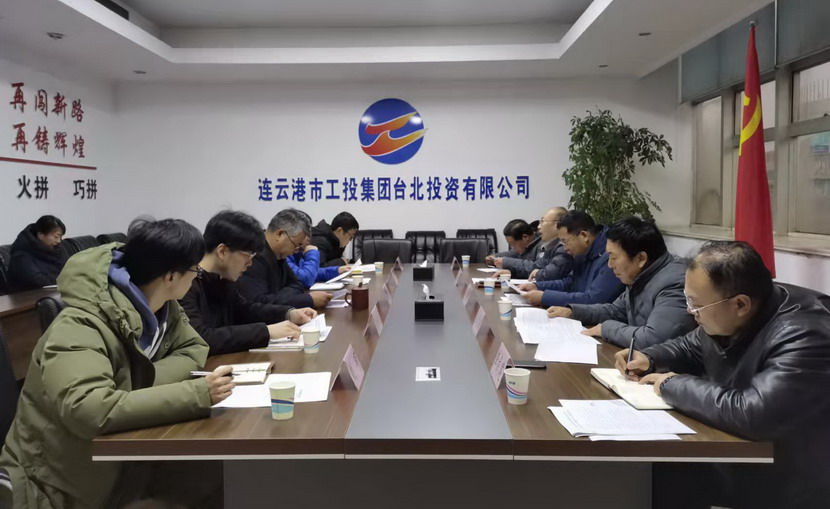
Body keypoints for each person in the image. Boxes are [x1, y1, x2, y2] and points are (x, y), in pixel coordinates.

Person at [0, 218, 235, 509]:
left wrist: (133, 387)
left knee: (214, 478)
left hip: (119, 469)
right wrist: (196, 394)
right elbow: (88, 409)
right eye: (194, 270)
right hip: (56, 489)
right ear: (171, 277)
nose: (196, 277)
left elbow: (194, 347)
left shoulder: (164, 308)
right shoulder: (80, 324)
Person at [617, 241, 830, 508]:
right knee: (659, 470)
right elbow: (691, 345)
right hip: (742, 459)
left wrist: (671, 384)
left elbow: (754, 413)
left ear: (740, 304)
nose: (690, 311)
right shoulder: (735, 309)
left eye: (696, 305)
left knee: (670, 472)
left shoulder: (805, 333)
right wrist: (650, 358)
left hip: (788, 481)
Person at [181, 210, 318, 356]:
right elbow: (202, 338)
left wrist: (288, 313)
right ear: (222, 251)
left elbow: (245, 310)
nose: (250, 263)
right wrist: (266, 331)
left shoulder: (223, 278)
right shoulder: (185, 283)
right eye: (248, 255)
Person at [547, 217, 695, 348]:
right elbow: (615, 310)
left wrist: (606, 329)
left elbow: (654, 338)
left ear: (641, 258)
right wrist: (573, 311)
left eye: (613, 257)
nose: (610, 265)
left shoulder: (675, 283)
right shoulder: (642, 274)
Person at [519, 211, 623, 307]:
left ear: (584, 235)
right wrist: (537, 286)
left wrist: (544, 297)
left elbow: (593, 299)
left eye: (565, 242)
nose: (564, 248)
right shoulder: (583, 251)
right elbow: (570, 283)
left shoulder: (611, 257)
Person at [238, 209, 333, 309]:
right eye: (296, 245)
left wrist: (278, 296)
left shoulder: (279, 255)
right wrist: (308, 300)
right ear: (280, 234)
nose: (296, 251)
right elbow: (259, 302)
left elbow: (297, 283)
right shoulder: (253, 256)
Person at [492, 207, 572, 281]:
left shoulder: (563, 247)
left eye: (542, 221)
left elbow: (548, 274)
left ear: (557, 225)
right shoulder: (549, 245)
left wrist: (537, 276)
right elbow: (539, 267)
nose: (538, 227)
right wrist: (511, 272)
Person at [7, 215, 67, 292]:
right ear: (41, 235)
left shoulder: (57, 248)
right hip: (28, 296)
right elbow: (37, 281)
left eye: (60, 237)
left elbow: (69, 270)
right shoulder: (21, 255)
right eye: (56, 237)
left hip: (55, 293)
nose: (59, 241)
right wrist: (64, 279)